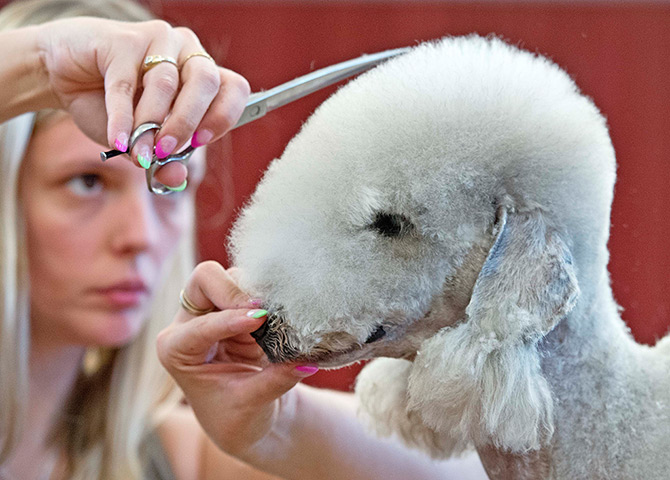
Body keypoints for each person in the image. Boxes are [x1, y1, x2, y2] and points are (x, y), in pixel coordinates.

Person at [0, 0, 488, 478]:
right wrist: (39, 63)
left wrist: (279, 425)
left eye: (168, 185)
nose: (141, 236)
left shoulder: (178, 457)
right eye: (87, 182)